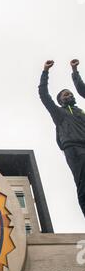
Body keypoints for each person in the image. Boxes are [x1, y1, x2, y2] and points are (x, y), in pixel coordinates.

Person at [39, 59, 85, 217]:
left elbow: (82, 88)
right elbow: (44, 95)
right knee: (83, 183)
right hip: (73, 149)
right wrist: (45, 71)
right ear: (60, 100)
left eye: (71, 94)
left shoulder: (81, 113)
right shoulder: (59, 113)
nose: (69, 95)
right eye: (65, 95)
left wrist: (75, 70)